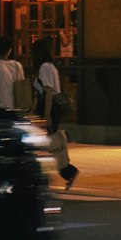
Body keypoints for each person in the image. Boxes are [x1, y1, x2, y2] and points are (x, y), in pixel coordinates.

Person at [31, 37, 79, 191]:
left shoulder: (44, 67)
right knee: (49, 142)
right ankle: (67, 171)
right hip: (51, 108)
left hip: (49, 108)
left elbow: (49, 92)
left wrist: (46, 115)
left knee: (44, 144)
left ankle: (63, 172)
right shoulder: (51, 66)